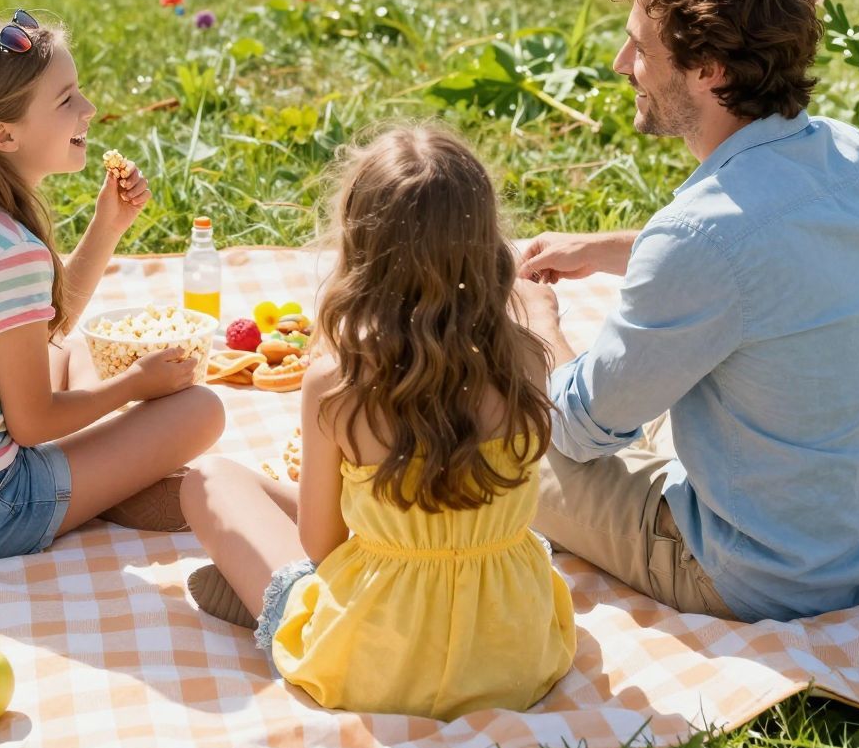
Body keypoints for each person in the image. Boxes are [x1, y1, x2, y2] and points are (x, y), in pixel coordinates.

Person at [519, 0, 859, 624]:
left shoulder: (701, 235)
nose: (620, 61)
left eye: (640, 46)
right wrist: (606, 248)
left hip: (753, 572)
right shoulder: (856, 158)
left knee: (492, 430)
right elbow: (768, 258)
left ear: (711, 70)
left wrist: (537, 323)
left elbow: (576, 427)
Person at [182, 124, 576, 718]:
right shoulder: (525, 358)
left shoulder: (336, 385)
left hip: (372, 663)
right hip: (514, 655)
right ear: (487, 245)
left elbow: (321, 546)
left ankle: (269, 603)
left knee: (208, 481)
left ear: (360, 253)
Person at [0, 10, 224, 563]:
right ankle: (108, 488)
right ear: (4, 135)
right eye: (66, 99)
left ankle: (104, 482)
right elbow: (31, 426)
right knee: (202, 410)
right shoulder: (11, 250)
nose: (89, 109)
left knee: (70, 349)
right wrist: (135, 387)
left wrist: (109, 225)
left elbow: (47, 325)